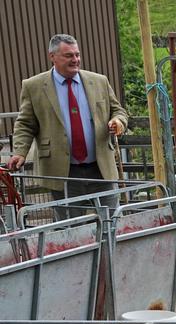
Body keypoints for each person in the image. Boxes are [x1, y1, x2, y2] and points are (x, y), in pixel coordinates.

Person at [7, 34, 128, 209]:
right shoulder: (33, 86)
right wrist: (20, 152)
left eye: (77, 55)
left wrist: (118, 121)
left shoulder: (99, 81)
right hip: (63, 173)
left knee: (111, 225)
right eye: (69, 55)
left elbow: (118, 110)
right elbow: (25, 123)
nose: (75, 60)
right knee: (70, 230)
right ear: (52, 57)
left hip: (101, 170)